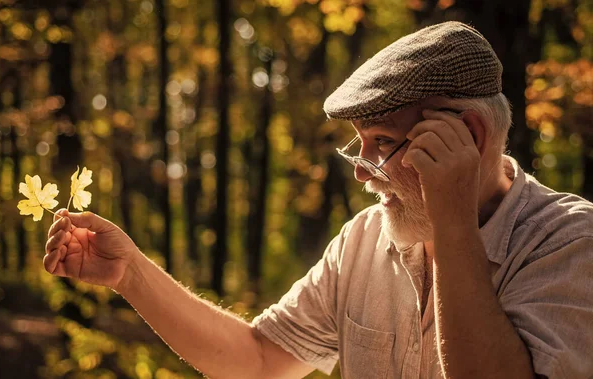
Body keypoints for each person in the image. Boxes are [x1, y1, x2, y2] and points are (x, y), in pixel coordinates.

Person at [45, 21, 593, 378]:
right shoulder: (364, 239)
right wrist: (131, 274)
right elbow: (257, 359)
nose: (361, 171)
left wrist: (453, 224)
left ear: (469, 137)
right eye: (359, 144)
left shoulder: (569, 243)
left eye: (382, 142)